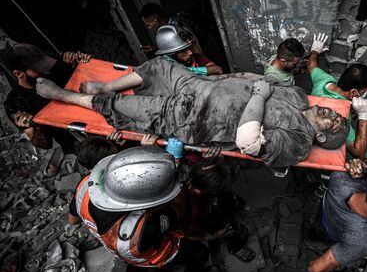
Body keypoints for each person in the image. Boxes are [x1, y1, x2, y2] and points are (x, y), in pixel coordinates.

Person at [36, 57, 349, 167]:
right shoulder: (298, 95)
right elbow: (254, 79)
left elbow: (249, 142)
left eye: (334, 125)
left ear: (320, 135)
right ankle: (105, 86)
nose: (334, 117)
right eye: (337, 115)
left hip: (193, 117)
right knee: (159, 66)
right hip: (199, 86)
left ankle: (67, 97)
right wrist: (215, 80)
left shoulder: (297, 142)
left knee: (124, 107)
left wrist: (259, 95)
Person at [69, 146, 211, 272]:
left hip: (119, 245)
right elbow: (177, 209)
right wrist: (179, 178)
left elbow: (73, 220)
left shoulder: (87, 186)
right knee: (199, 252)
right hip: (152, 252)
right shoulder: (142, 230)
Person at [1, 43, 91, 153]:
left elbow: (92, 76)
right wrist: (33, 126)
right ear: (19, 73)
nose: (46, 71)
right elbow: (45, 144)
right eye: (38, 70)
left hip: (102, 117)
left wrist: (83, 62)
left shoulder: (55, 67)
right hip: (83, 144)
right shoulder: (16, 103)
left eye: (45, 66)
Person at [307, 34, 367, 158]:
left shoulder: (323, 80)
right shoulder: (341, 114)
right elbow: (358, 152)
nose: (366, 92)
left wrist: (315, 51)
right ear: (353, 92)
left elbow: (311, 65)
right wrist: (363, 117)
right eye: (366, 89)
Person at [154, 25, 223, 76]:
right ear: (171, 55)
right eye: (183, 51)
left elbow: (217, 70)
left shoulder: (196, 57)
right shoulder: (165, 72)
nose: (190, 52)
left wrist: (185, 71)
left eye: (189, 48)